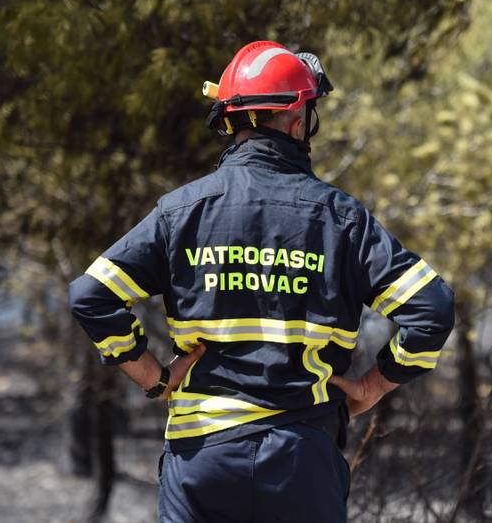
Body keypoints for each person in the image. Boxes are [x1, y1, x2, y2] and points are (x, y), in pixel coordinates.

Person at [68, 40, 455, 523]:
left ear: (229, 121)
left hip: (201, 460)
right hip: (301, 458)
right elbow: (432, 309)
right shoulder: (341, 219)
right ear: (297, 122)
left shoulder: (179, 212)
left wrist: (154, 377)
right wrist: (375, 384)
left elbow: (90, 295)